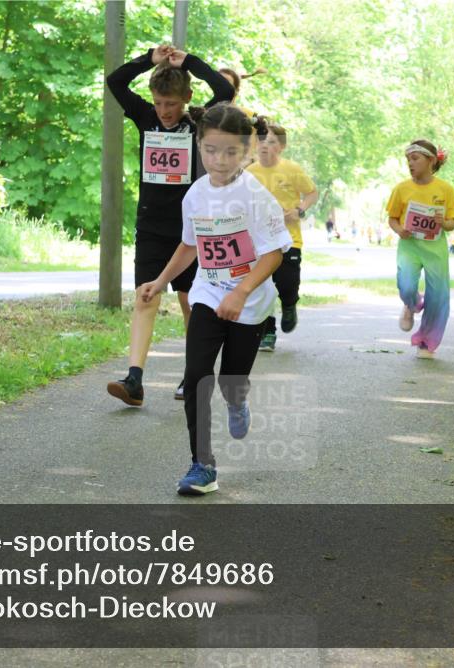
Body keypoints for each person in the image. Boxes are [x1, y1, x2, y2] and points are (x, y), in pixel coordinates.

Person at [138, 104, 291, 495]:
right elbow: (190, 245)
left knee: (230, 381)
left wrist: (242, 291)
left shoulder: (254, 195)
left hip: (251, 303)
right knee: (197, 377)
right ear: (198, 146)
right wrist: (159, 281)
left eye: (229, 152)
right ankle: (202, 464)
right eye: (210, 150)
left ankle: (237, 401)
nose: (218, 161)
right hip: (208, 293)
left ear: (246, 151)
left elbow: (274, 253)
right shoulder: (195, 195)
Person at [105, 44, 234, 406]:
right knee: (146, 295)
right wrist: (150, 59)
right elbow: (115, 82)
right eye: (159, 103)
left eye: (171, 104)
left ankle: (194, 375)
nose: (164, 111)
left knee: (190, 301)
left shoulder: (198, 120)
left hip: (192, 228)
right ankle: (134, 379)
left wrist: (189, 61)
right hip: (151, 224)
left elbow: (224, 91)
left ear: (187, 98)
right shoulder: (144, 117)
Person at [386, 139, 454, 359]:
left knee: (438, 295)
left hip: (435, 247)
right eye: (408, 159)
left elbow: (452, 223)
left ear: (430, 161)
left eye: (415, 158)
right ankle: (411, 304)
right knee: (406, 285)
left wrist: (442, 222)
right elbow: (392, 219)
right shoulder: (401, 188)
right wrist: (400, 230)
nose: (410, 163)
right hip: (409, 245)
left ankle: (426, 343)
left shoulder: (445, 189)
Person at [247, 121, 319, 351]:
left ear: (282, 146)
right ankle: (268, 332)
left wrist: (299, 210)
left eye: (271, 142)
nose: (264, 146)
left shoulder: (292, 169)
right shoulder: (249, 173)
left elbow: (311, 193)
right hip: (260, 240)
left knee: (287, 283)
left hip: (289, 238)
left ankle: (289, 304)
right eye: (261, 141)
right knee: (262, 286)